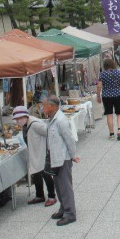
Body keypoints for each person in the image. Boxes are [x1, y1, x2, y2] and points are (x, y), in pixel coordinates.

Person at [41, 96, 81, 226]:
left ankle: (70, 213)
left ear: (51, 107)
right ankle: (63, 208)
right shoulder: (52, 119)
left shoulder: (61, 120)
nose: (42, 108)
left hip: (63, 158)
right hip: (55, 157)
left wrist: (74, 155)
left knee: (65, 186)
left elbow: (69, 138)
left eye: (44, 105)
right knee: (58, 185)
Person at [12, 106, 57, 207]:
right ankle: (39, 195)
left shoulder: (35, 124)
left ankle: (52, 196)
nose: (17, 121)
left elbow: (49, 132)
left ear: (25, 116)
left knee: (45, 174)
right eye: (16, 119)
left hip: (41, 152)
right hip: (34, 151)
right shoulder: (26, 124)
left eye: (19, 118)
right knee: (36, 173)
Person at [97, 58, 120, 140]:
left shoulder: (102, 74)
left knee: (109, 114)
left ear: (105, 65)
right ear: (113, 64)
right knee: (119, 113)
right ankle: (119, 129)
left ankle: (112, 134)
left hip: (106, 96)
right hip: (118, 95)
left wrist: (98, 96)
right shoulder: (118, 73)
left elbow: (99, 86)